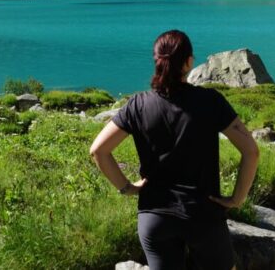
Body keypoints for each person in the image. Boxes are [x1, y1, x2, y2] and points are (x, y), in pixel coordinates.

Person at [89, 29, 260, 270]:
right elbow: (251, 151)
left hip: (154, 217)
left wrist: (127, 188)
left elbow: (98, 151)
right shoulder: (211, 101)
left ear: (157, 61)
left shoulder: (138, 104)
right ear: (189, 62)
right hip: (203, 215)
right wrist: (236, 199)